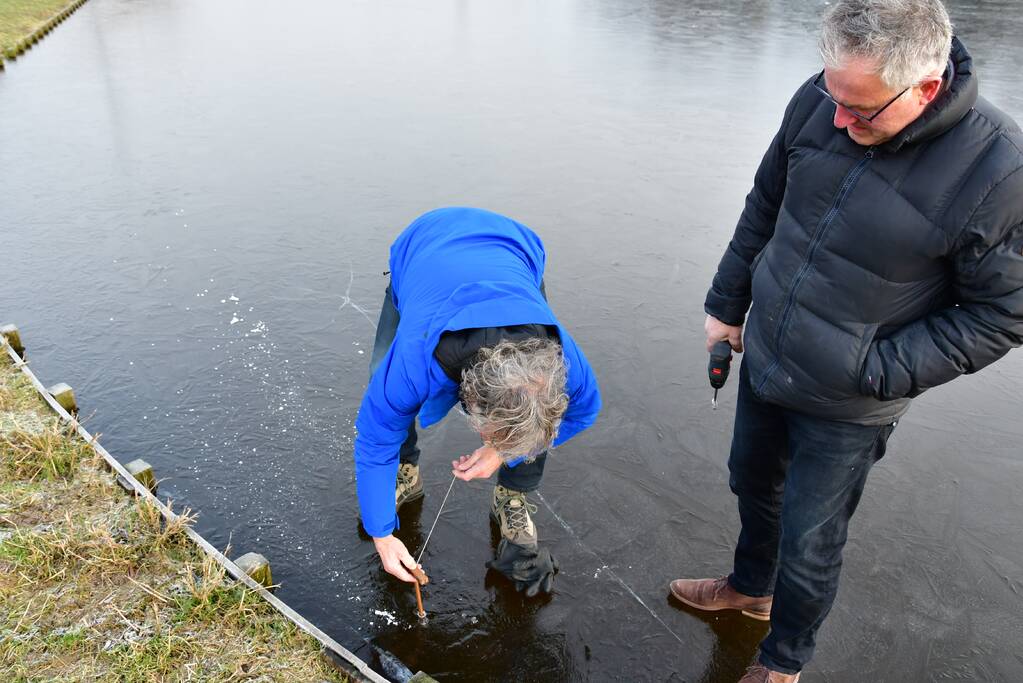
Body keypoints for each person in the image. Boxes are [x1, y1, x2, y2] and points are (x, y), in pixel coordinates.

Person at [670, 1, 1023, 681]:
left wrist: (875, 368)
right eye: (832, 95)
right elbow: (765, 204)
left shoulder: (996, 170)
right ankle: (750, 588)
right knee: (750, 483)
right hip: (768, 355)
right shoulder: (822, 97)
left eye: (859, 110)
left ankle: (782, 661)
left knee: (809, 539)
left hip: (848, 401)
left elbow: (1000, 314)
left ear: (924, 88)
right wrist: (726, 303)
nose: (837, 119)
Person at [356, 207, 601, 595]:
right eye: (494, 436)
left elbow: (584, 411)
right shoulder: (415, 361)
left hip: (512, 248)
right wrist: (382, 534)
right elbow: (374, 437)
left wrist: (502, 453)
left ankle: (512, 494)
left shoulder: (561, 361)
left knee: (537, 416)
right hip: (424, 249)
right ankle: (406, 469)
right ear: (473, 406)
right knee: (381, 384)